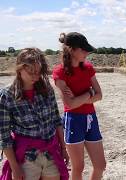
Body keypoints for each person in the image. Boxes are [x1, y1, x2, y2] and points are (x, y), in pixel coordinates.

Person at [0, 48, 69, 180]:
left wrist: (64, 149)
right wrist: (15, 167)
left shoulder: (46, 89)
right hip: (27, 158)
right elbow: (4, 137)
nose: (35, 76)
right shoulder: (7, 96)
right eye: (30, 72)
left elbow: (56, 120)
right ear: (19, 69)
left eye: (38, 72)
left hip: (51, 154)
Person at [52, 32, 106, 180]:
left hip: (91, 118)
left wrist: (80, 98)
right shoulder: (59, 71)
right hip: (73, 120)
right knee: (78, 167)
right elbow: (70, 104)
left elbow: (100, 95)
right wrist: (89, 94)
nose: (87, 52)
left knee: (100, 165)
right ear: (71, 50)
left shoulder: (88, 68)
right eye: (83, 49)